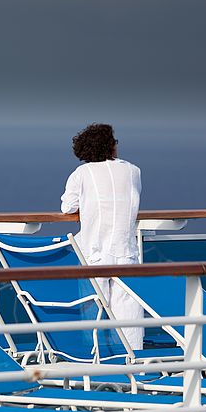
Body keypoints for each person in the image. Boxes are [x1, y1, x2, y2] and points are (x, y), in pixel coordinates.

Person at [60, 123, 145, 350]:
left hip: (94, 253)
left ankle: (95, 359)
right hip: (126, 253)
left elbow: (68, 207)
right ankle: (134, 362)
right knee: (129, 313)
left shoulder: (82, 174)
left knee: (93, 310)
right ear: (109, 146)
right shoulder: (133, 171)